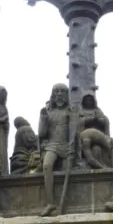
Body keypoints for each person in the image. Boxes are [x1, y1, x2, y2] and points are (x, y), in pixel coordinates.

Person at [38, 83, 72, 215]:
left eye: (62, 91)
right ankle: (51, 203)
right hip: (52, 145)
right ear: (53, 94)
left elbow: (75, 132)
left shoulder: (70, 111)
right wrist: (43, 118)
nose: (59, 94)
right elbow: (41, 134)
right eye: (56, 91)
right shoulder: (48, 111)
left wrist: (73, 148)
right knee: (47, 165)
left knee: (67, 169)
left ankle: (66, 203)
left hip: (66, 146)